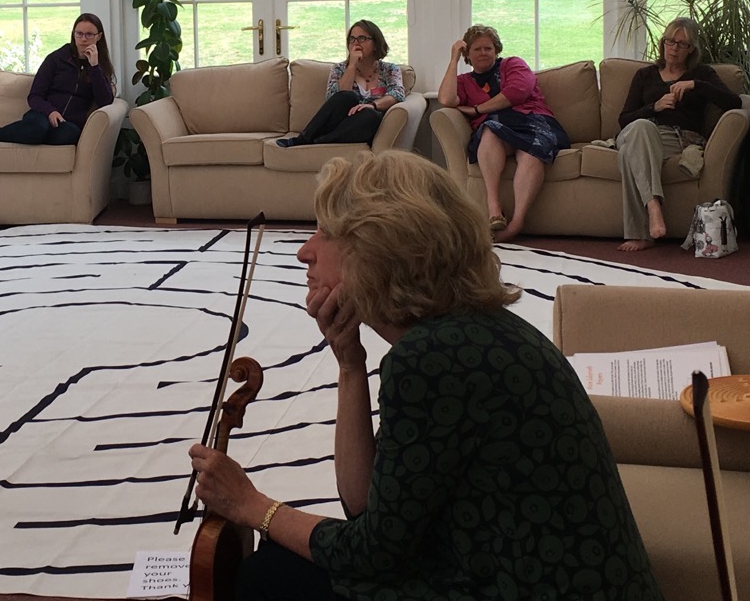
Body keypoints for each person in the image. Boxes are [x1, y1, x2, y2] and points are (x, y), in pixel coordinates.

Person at [188, 151, 662, 601]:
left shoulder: (433, 359)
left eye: (325, 233)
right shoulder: (470, 330)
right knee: (283, 557)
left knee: (268, 577)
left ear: (378, 250)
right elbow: (364, 507)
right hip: (522, 571)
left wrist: (253, 505)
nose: (303, 252)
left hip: (518, 585)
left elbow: (371, 552)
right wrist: (350, 365)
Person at [615, 16, 742, 252]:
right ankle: (654, 206)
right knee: (642, 127)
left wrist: (695, 85)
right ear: (663, 43)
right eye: (670, 41)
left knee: (627, 154)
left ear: (691, 49)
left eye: (682, 44)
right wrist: (654, 107)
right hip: (638, 131)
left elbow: (734, 103)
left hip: (674, 139)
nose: (674, 48)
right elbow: (624, 119)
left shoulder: (702, 74)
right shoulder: (645, 75)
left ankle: (642, 235)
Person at [437, 24, 569, 241]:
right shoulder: (464, 81)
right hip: (495, 128)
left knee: (532, 152)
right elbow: (446, 99)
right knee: (490, 130)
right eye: (477, 49)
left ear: (496, 50)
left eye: (488, 48)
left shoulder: (513, 64)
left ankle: (516, 223)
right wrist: (453, 60)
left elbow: (517, 92)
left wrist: (477, 109)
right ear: (467, 55)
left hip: (532, 121)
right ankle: (494, 209)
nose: (483, 53)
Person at [0, 13, 115, 145]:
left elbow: (105, 101)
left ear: (99, 36)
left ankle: (29, 136)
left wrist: (94, 67)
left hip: (68, 123)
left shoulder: (99, 66)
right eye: (79, 34)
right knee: (37, 128)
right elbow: (35, 95)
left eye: (89, 35)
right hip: (42, 114)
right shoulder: (57, 59)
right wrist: (50, 111)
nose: (83, 39)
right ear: (73, 34)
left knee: (69, 134)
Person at [276, 21, 405, 148]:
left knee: (371, 115)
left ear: (376, 44)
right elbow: (334, 98)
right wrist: (352, 66)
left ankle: (319, 142)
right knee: (348, 96)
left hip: (363, 125)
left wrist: (372, 105)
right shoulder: (339, 69)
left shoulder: (390, 69)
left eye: (362, 38)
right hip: (339, 122)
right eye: (352, 39)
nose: (356, 43)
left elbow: (397, 93)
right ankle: (303, 139)